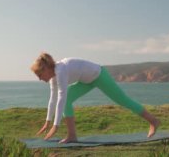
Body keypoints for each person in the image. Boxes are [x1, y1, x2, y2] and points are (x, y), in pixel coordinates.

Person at [31, 52, 160, 143]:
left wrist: (56, 125)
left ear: (47, 68)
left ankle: (153, 121)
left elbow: (61, 97)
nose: (39, 78)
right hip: (85, 81)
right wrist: (48, 121)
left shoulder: (60, 71)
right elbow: (53, 99)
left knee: (123, 100)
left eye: (39, 74)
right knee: (67, 102)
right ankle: (72, 136)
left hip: (99, 76)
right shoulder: (53, 77)